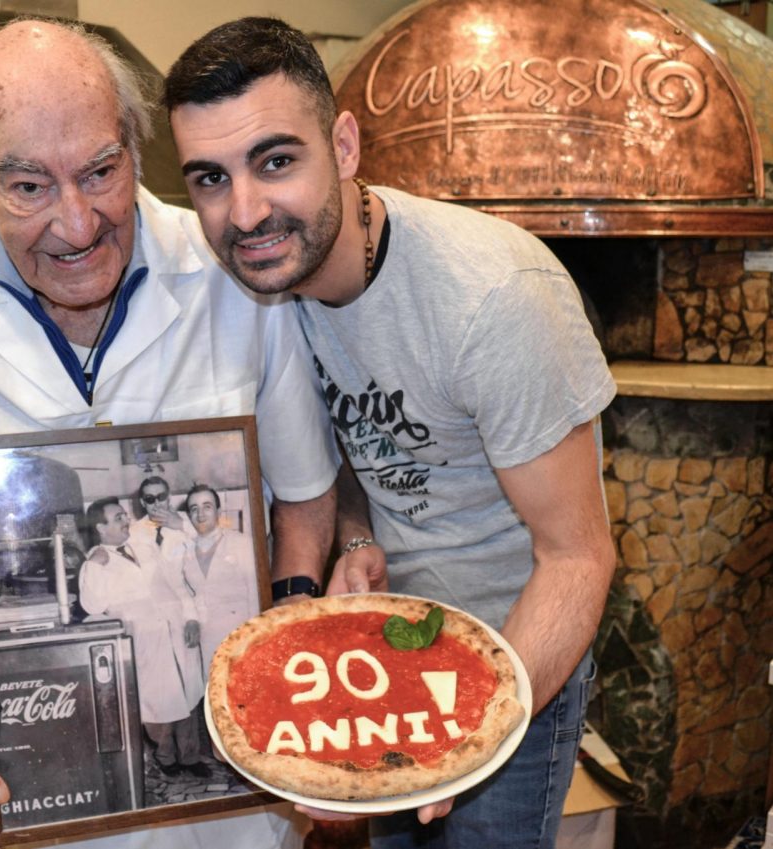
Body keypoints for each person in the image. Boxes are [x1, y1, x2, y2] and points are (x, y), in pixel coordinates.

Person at [0, 18, 352, 849]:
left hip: (243, 806)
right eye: (29, 186)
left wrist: (288, 655)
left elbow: (305, 492)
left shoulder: (233, 277)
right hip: (43, 794)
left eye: (100, 171)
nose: (79, 224)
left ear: (134, 144)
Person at [164, 18, 618, 848]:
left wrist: (463, 740)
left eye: (276, 161)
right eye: (211, 178)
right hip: (385, 661)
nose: (246, 211)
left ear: (343, 146)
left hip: (514, 655)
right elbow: (349, 442)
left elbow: (579, 557)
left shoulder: (494, 299)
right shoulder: (274, 288)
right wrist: (357, 535)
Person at [78, 497, 207, 779]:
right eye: (118, 517)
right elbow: (92, 605)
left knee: (186, 693)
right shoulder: (96, 561)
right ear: (100, 527)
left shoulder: (144, 547)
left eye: (124, 515)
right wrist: (96, 566)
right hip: (143, 641)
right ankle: (166, 758)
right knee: (156, 702)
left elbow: (174, 583)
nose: (126, 520)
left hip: (174, 629)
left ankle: (191, 757)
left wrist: (191, 617)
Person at [181, 483, 260, 668]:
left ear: (218, 511)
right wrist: (191, 619)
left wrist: (255, 634)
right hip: (207, 636)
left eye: (207, 507)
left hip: (241, 632)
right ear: (189, 515)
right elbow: (187, 593)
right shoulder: (186, 550)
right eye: (194, 509)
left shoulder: (241, 543)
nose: (200, 514)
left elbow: (255, 592)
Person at [128, 475, 194, 561]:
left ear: (169, 498)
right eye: (150, 499)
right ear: (142, 502)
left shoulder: (189, 519)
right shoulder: (134, 531)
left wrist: (182, 525)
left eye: (161, 497)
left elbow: (207, 542)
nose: (157, 503)